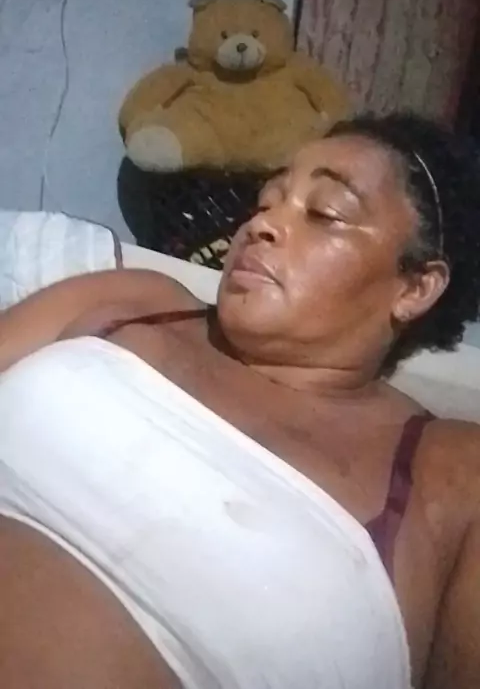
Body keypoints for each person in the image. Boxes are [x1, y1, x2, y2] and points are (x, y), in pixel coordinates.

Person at [0, 111, 480, 689]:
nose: (262, 225)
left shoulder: (451, 472)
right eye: (266, 202)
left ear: (416, 287)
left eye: (326, 213)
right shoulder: (132, 301)